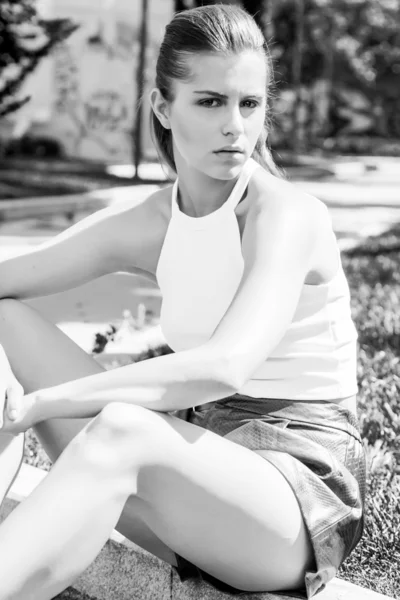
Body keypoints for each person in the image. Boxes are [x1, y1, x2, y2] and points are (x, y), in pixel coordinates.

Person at [0, 5, 366, 599]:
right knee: (5, 321)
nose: (234, 126)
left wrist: (46, 402)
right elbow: (8, 278)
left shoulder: (286, 215)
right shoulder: (150, 221)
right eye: (210, 101)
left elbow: (225, 366)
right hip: (194, 476)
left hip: (292, 500)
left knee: (124, 428)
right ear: (163, 108)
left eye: (249, 103)